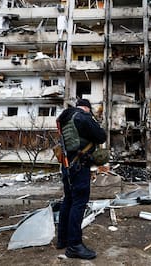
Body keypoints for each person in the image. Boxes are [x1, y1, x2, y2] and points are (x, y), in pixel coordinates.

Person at [56, 99, 106, 260]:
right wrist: (93, 120)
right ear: (86, 108)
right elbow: (101, 136)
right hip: (79, 166)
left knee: (68, 200)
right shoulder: (82, 117)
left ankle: (62, 240)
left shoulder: (64, 118)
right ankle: (74, 246)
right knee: (79, 203)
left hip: (67, 165)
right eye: (89, 111)